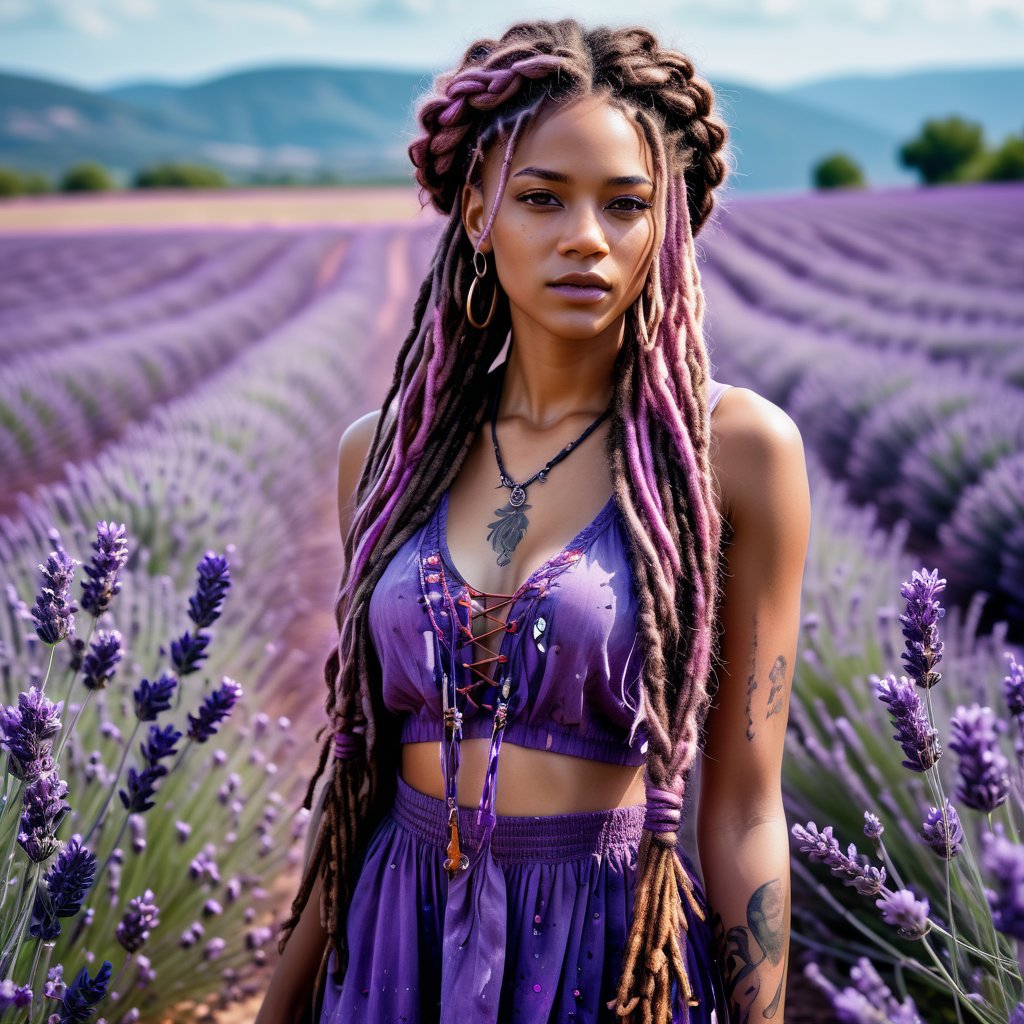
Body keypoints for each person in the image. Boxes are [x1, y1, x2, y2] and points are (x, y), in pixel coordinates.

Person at [257, 17, 810, 1024]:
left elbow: (742, 804)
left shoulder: (735, 451)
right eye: (541, 196)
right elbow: (356, 772)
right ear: (478, 211)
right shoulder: (385, 452)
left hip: (605, 947)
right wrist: (280, 1003)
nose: (585, 237)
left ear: (669, 222)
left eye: (626, 203)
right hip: (397, 935)